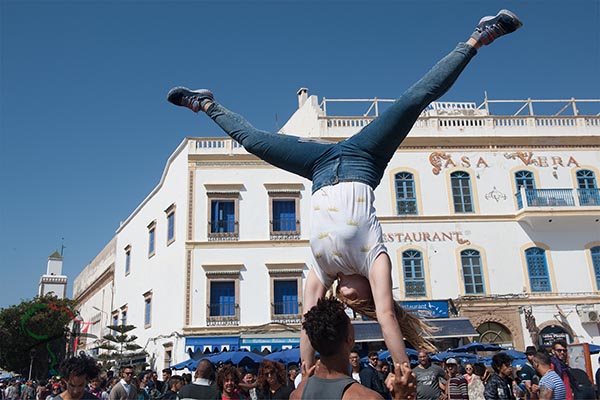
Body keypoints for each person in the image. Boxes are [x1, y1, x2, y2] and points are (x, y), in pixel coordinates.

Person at [167, 9, 523, 370]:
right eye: (357, 304)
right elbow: (386, 315)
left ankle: (205, 103)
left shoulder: (322, 270)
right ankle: (480, 37)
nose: (348, 301)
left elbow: (308, 320)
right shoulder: (374, 260)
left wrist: (305, 371)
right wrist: (402, 370)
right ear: (369, 291)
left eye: (347, 305)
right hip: (365, 157)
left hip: (318, 165)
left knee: (254, 142)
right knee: (417, 97)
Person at [290, 296, 415, 400]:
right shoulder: (366, 398)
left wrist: (305, 384)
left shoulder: (297, 395)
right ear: (350, 339)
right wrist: (400, 397)